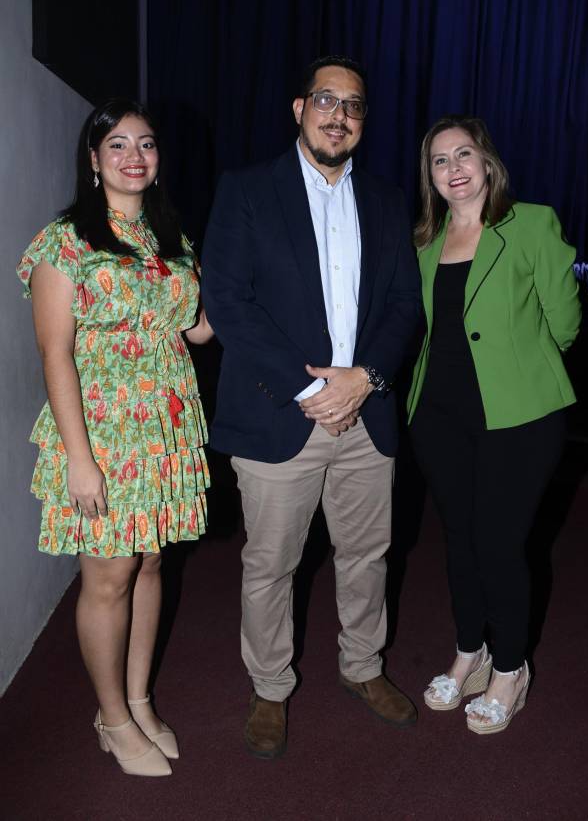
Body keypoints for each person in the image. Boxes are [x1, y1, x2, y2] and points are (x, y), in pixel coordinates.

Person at [201, 56, 422, 759]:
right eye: (326, 100)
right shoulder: (245, 192)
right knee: (270, 564)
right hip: (277, 415)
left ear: (362, 121)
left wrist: (365, 377)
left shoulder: (388, 202)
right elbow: (230, 304)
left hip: (366, 415)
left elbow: (402, 308)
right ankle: (270, 687)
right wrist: (312, 391)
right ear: (298, 108)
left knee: (367, 555)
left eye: (353, 106)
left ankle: (362, 667)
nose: (339, 115)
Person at [17, 98, 213, 776]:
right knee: (109, 576)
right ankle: (110, 718)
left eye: (147, 144)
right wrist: (79, 458)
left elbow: (195, 330)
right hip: (101, 428)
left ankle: (138, 697)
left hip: (166, 421)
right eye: (119, 145)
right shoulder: (64, 240)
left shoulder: (171, 238)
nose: (135, 156)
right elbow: (54, 354)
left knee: (150, 562)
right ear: (94, 161)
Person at [407, 115, 581, 734]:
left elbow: (564, 325)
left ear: (487, 163)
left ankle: (510, 666)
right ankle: (468, 650)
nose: (453, 168)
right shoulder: (425, 241)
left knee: (500, 542)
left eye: (464, 155)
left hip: (519, 415)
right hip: (440, 415)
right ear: (429, 175)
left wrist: (521, 356)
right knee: (459, 538)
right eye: (438, 160)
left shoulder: (532, 223)